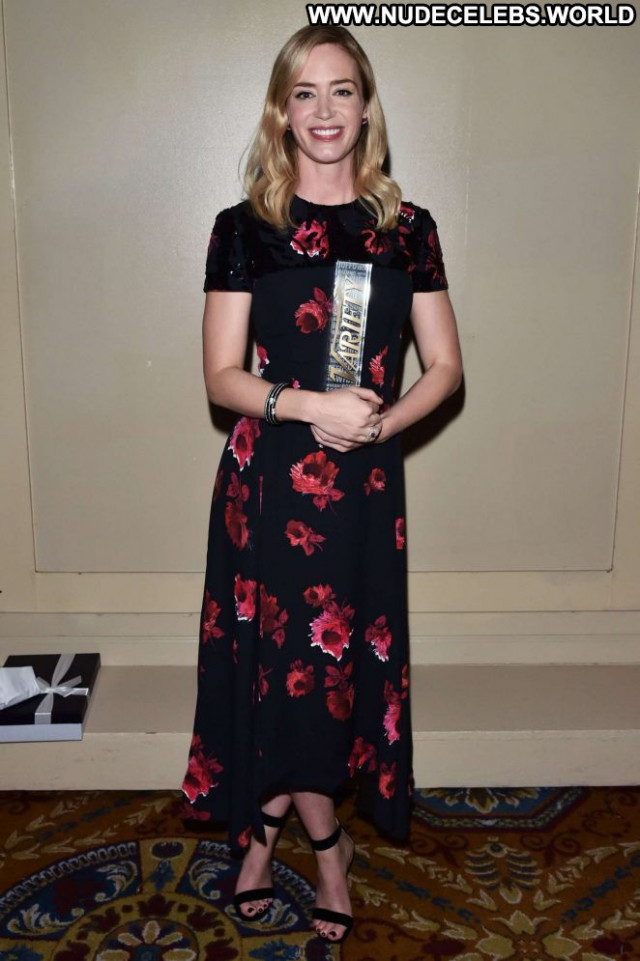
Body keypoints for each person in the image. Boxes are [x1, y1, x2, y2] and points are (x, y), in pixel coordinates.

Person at [181, 23, 463, 944]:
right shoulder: (243, 229)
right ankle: (321, 846)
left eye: (342, 90)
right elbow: (221, 378)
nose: (325, 109)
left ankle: (277, 840)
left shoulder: (408, 230)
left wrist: (378, 425)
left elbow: (446, 368)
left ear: (366, 107)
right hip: (269, 485)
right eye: (304, 92)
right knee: (280, 674)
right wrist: (309, 406)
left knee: (335, 674)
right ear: (282, 111)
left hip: (365, 490)